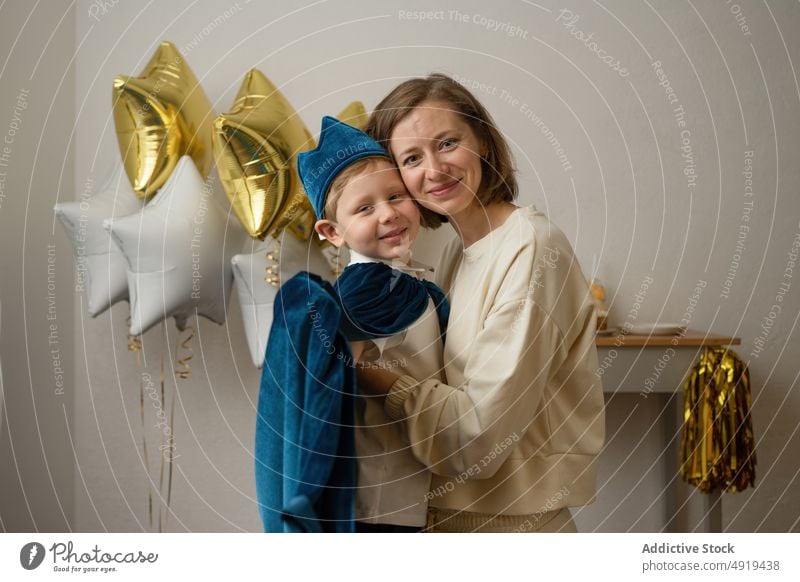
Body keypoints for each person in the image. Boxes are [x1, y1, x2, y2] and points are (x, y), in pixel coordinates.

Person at [360, 74, 606, 532]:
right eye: (412, 158)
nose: (433, 170)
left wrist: (376, 378)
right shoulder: (459, 250)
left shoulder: (531, 247)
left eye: (448, 143)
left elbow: (476, 439)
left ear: (484, 144)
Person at [297, 116, 449, 532]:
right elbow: (331, 381)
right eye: (365, 208)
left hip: (414, 477)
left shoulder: (406, 277)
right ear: (332, 232)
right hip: (380, 492)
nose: (388, 214)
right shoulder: (363, 292)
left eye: (396, 196)